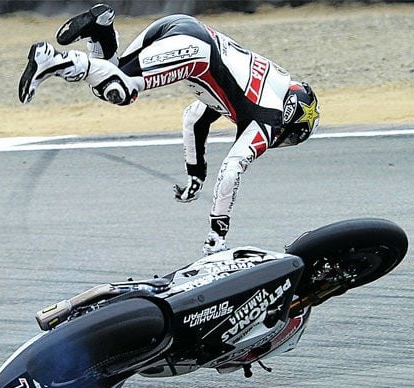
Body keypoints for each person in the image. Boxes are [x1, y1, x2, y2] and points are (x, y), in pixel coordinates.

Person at [18, 4, 320, 255]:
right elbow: (231, 170)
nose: (282, 139)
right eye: (292, 135)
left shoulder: (264, 87)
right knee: (123, 89)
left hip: (180, 26)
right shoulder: (269, 120)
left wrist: (196, 175)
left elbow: (195, 118)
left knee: (112, 75)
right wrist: (217, 235)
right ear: (291, 116)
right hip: (195, 52)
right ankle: (52, 60)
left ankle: (101, 29)